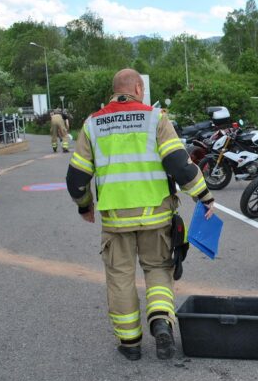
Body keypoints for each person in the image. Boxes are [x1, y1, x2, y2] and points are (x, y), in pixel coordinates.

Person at [66, 68, 215, 361]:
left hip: (116, 219)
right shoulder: (155, 118)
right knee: (159, 268)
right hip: (156, 214)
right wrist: (203, 196)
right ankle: (160, 320)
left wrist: (84, 205)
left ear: (114, 90)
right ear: (137, 87)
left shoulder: (92, 124)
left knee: (120, 277)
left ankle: (130, 343)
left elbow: (76, 178)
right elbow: (179, 164)